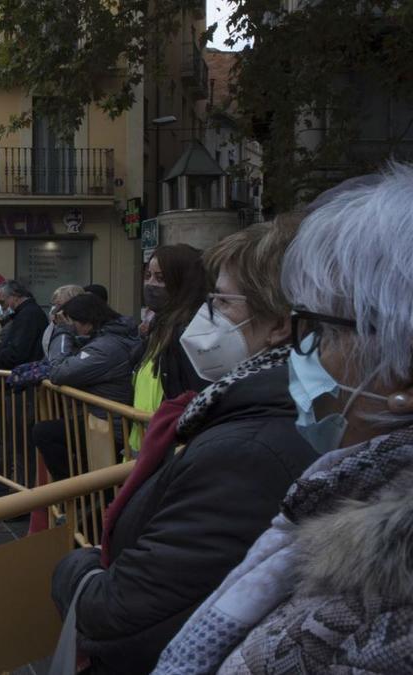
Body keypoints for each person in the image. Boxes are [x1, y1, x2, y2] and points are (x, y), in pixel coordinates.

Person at [154, 168, 413, 673]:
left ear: (405, 369)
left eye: (316, 327)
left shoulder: (382, 619)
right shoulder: (343, 482)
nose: (303, 350)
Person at [52, 219, 319, 675]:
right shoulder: (248, 411)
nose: (206, 315)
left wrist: (75, 570)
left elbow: (119, 612)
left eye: (222, 302)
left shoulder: (247, 452)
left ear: (278, 324)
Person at [31, 293, 139, 481]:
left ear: (88, 321)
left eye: (74, 323)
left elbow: (58, 372)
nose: (73, 328)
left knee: (45, 433)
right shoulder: (113, 338)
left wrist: (63, 333)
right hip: (106, 422)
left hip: (107, 428)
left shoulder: (106, 348)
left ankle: (73, 494)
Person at [127, 244, 208, 453]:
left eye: (161, 279)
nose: (150, 285)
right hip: (144, 448)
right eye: (148, 276)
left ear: (183, 283)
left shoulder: (192, 333)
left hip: (169, 454)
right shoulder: (158, 328)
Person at [0, 280, 49, 494]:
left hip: (22, 387)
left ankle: (22, 494)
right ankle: (11, 488)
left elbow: (16, 354)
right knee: (13, 441)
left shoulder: (28, 316)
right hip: (18, 386)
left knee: (19, 444)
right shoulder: (25, 315)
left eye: (3, 300)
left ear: (15, 296)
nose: (2, 305)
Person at [41, 285, 86, 357]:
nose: (55, 309)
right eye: (54, 305)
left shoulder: (83, 326)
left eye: (59, 305)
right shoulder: (55, 323)